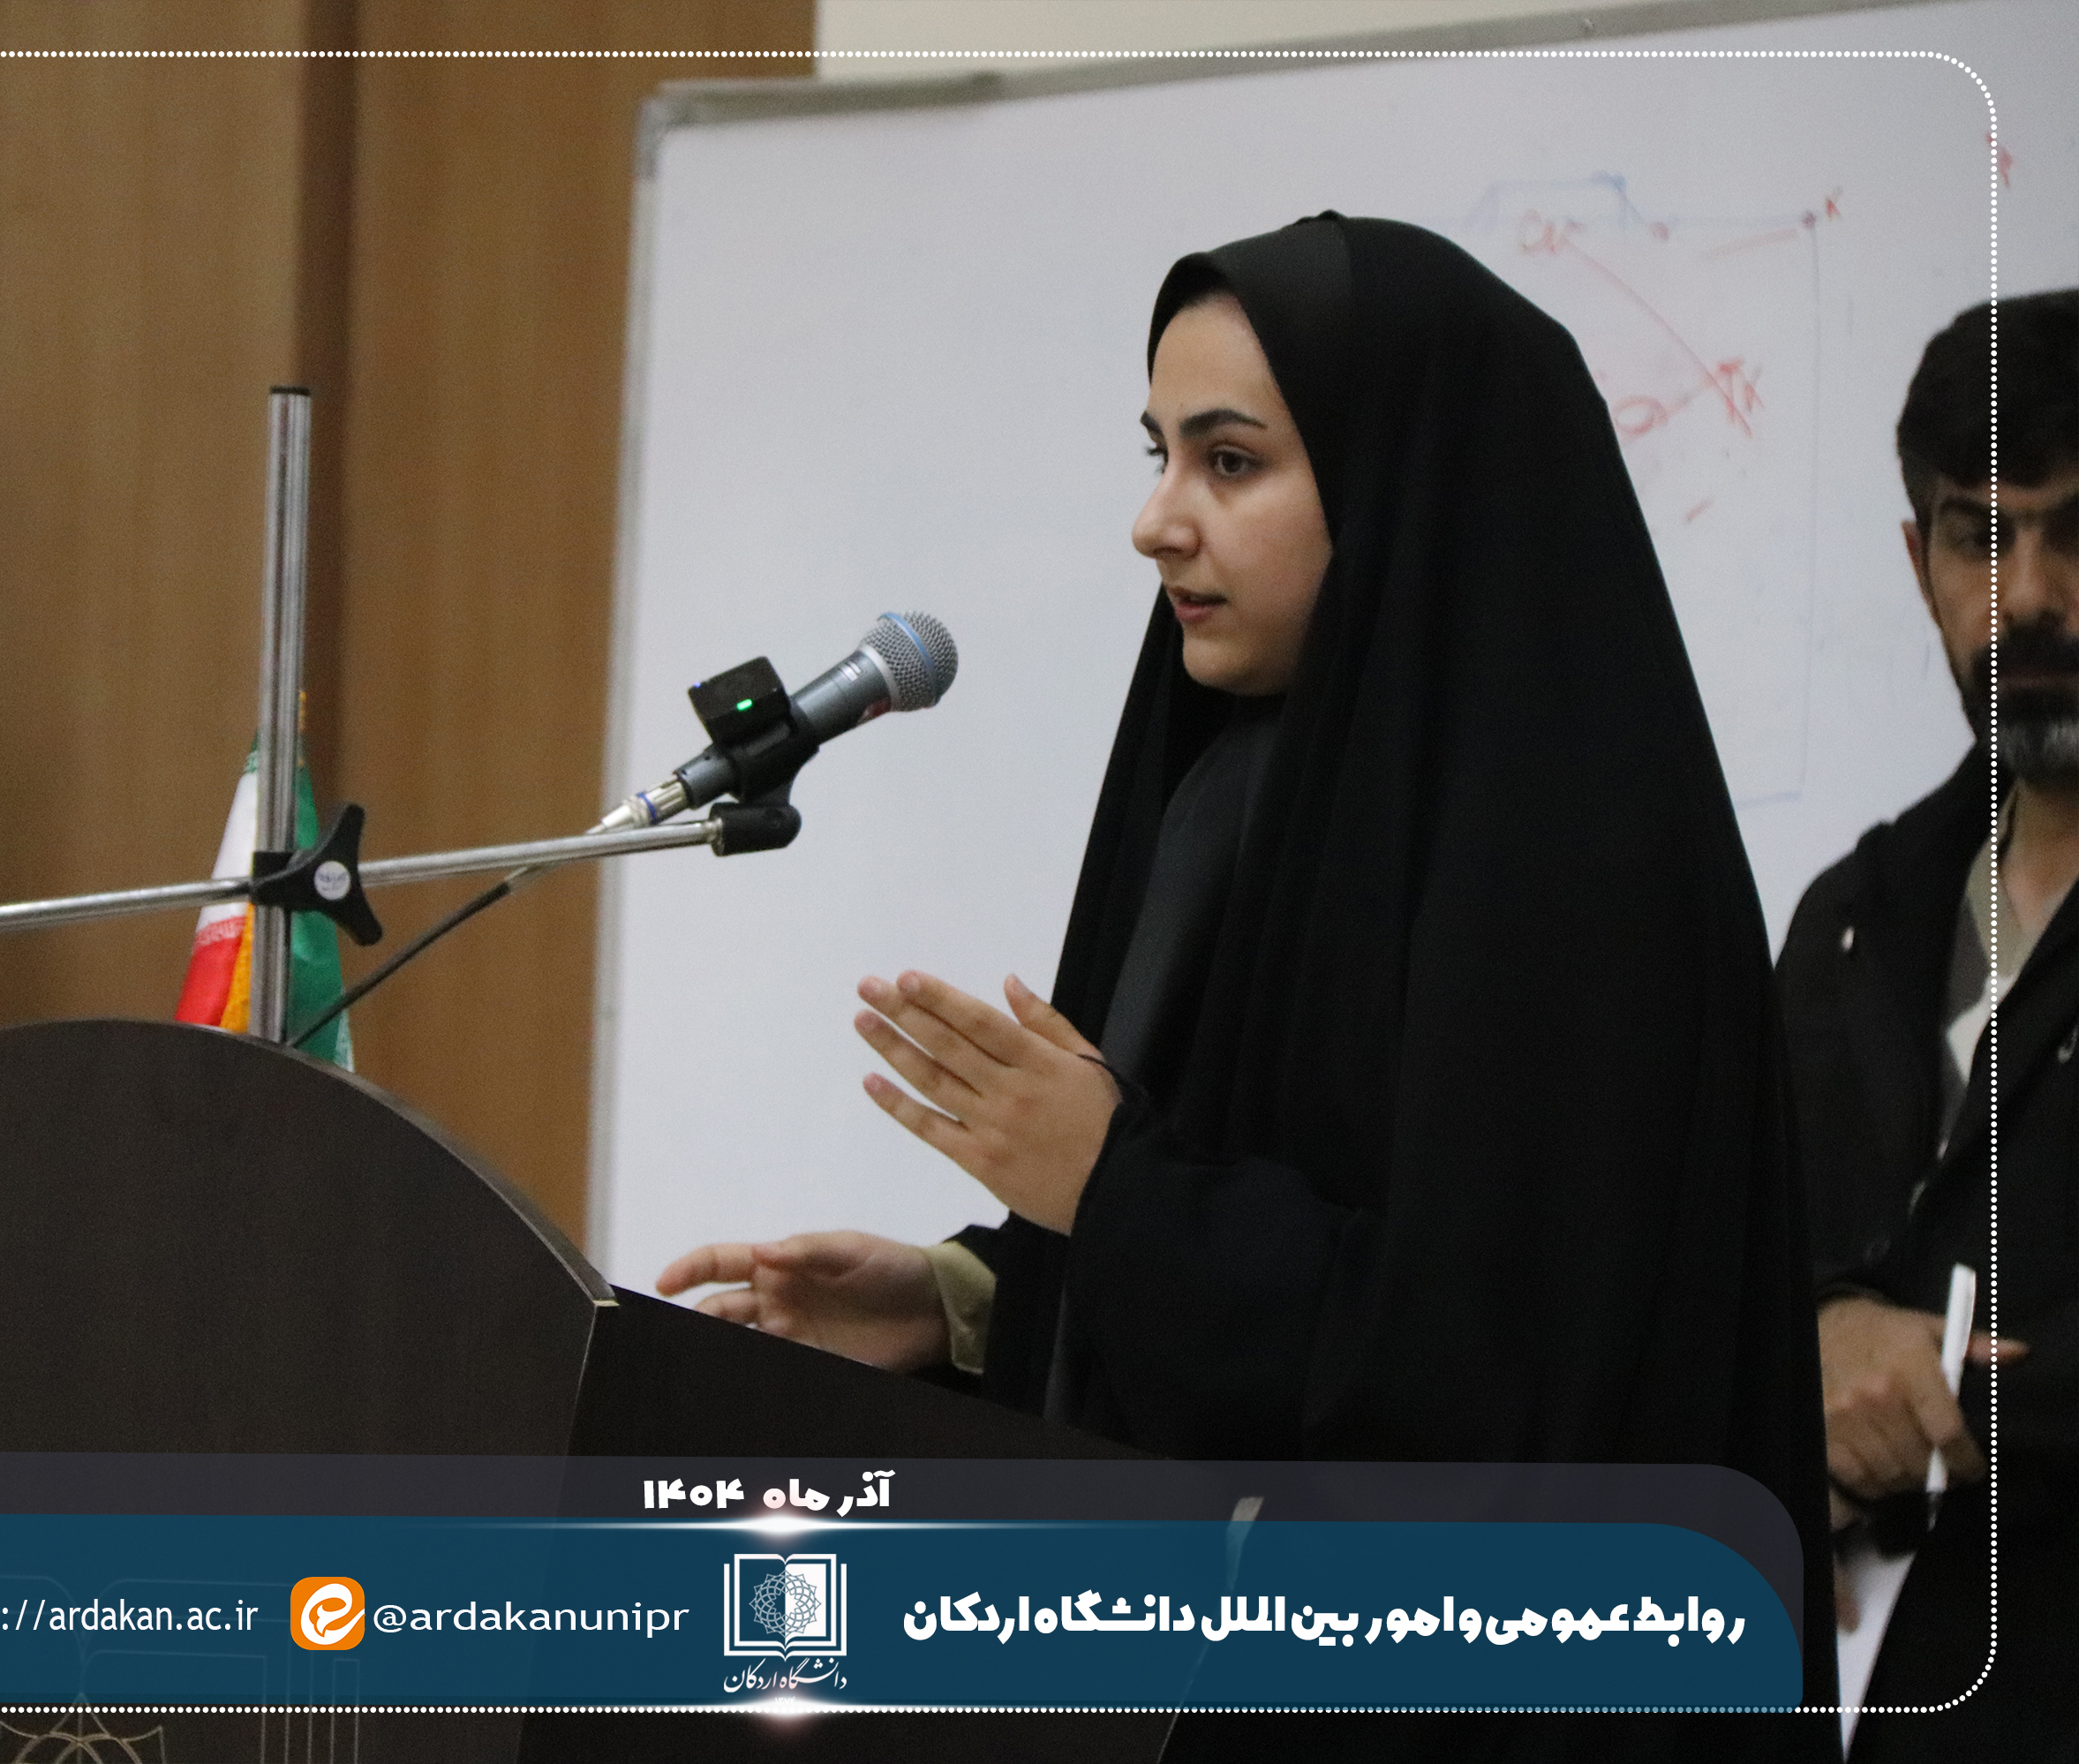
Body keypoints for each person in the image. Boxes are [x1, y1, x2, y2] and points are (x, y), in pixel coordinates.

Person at [660, 215, 1839, 1756]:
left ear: (1403, 473)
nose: (1156, 522)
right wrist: (972, 1303)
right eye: (1159, 454)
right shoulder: (1229, 786)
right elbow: (1253, 1195)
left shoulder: (1576, 856)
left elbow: (1494, 1384)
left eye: (1230, 462)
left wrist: (1113, 1191)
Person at [1774, 289, 2079, 1760]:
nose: (2029, 595)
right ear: (1921, 563)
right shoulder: (1852, 914)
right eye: (1981, 536)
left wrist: (1940, 1397)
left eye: (2076, 532)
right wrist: (1815, 1345)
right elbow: (1722, 1270)